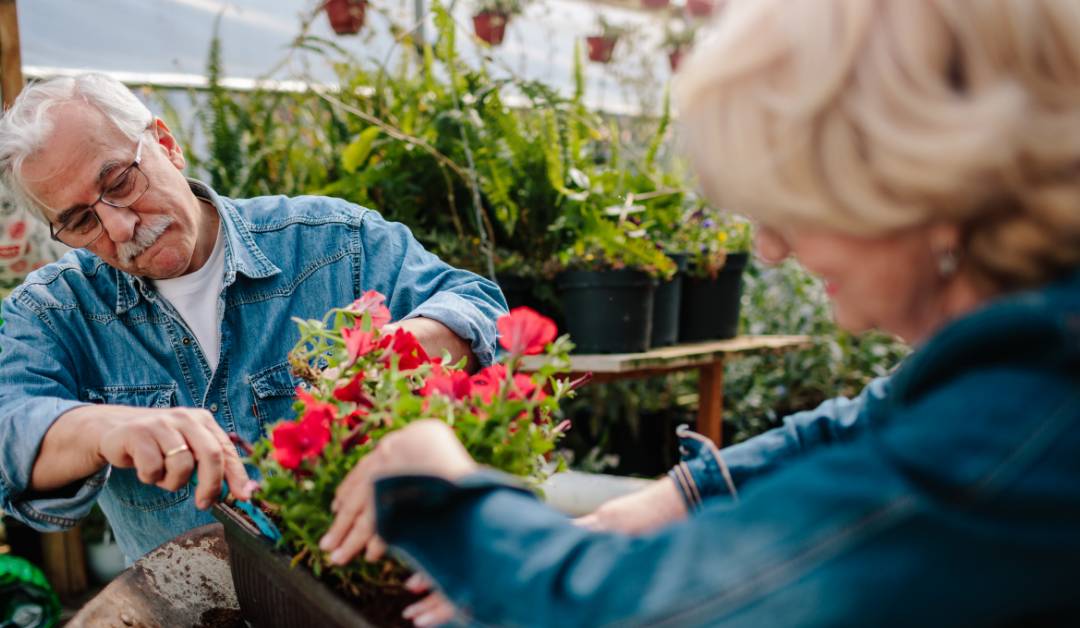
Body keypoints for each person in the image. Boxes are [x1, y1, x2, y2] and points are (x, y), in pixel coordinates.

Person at [318, 0, 1080, 625]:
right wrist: (674, 496)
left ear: (932, 173)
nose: (772, 247)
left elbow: (650, 612)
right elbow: (871, 419)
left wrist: (442, 490)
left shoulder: (1020, 431)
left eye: (793, 198)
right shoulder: (1036, 351)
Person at [0, 73, 506, 562]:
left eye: (121, 181)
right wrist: (103, 428)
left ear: (166, 144)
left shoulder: (333, 243)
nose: (120, 224)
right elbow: (9, 428)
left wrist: (394, 350)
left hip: (363, 588)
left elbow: (476, 306)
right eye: (81, 221)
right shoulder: (54, 311)